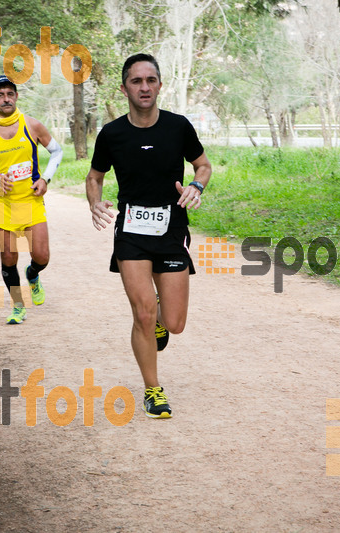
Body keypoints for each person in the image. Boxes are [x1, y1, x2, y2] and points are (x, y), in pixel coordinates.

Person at [85, 54, 212, 419]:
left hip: (171, 230)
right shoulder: (112, 134)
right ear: (124, 87)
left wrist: (196, 186)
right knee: (142, 313)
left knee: (174, 324)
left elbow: (203, 165)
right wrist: (95, 203)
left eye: (150, 80)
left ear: (159, 85)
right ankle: (153, 390)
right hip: (131, 235)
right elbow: (94, 177)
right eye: (136, 81)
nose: (144, 87)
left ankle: (157, 316)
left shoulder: (178, 127)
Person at [0, 75, 63, 324]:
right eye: (0, 95)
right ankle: (18, 306)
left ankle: (33, 275)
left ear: (16, 96)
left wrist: (46, 179)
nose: (6, 98)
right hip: (2, 201)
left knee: (42, 256)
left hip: (31, 199)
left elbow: (56, 152)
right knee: (8, 257)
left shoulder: (32, 125)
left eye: (10, 93)